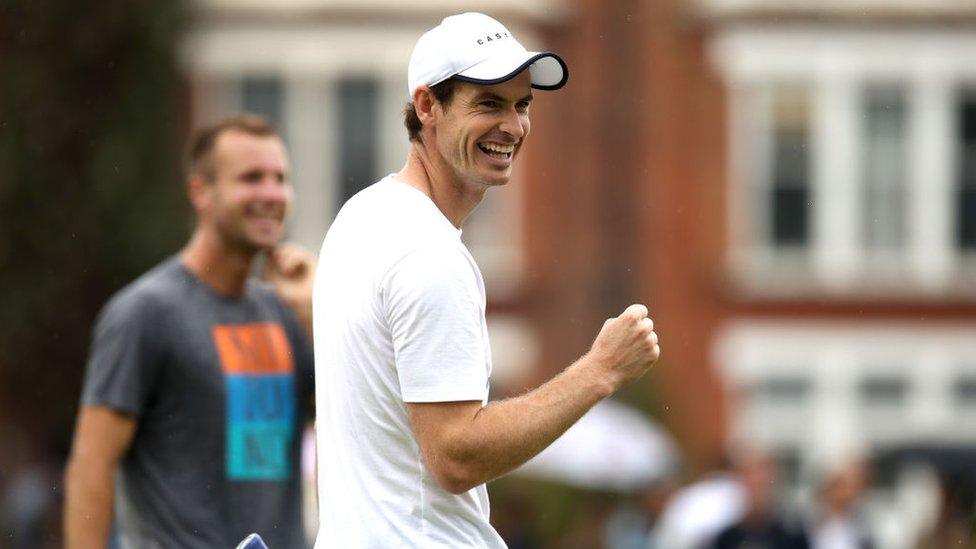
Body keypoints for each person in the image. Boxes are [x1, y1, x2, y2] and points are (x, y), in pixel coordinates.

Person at [312, 12, 661, 547]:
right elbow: (456, 455)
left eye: (522, 105)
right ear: (427, 106)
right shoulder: (427, 252)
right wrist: (601, 371)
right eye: (489, 104)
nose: (514, 127)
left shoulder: (360, 217)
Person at [64, 115, 316, 549]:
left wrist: (318, 316)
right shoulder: (144, 313)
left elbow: (352, 422)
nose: (271, 194)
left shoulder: (289, 313)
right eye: (251, 178)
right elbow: (92, 465)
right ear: (201, 191)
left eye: (280, 178)